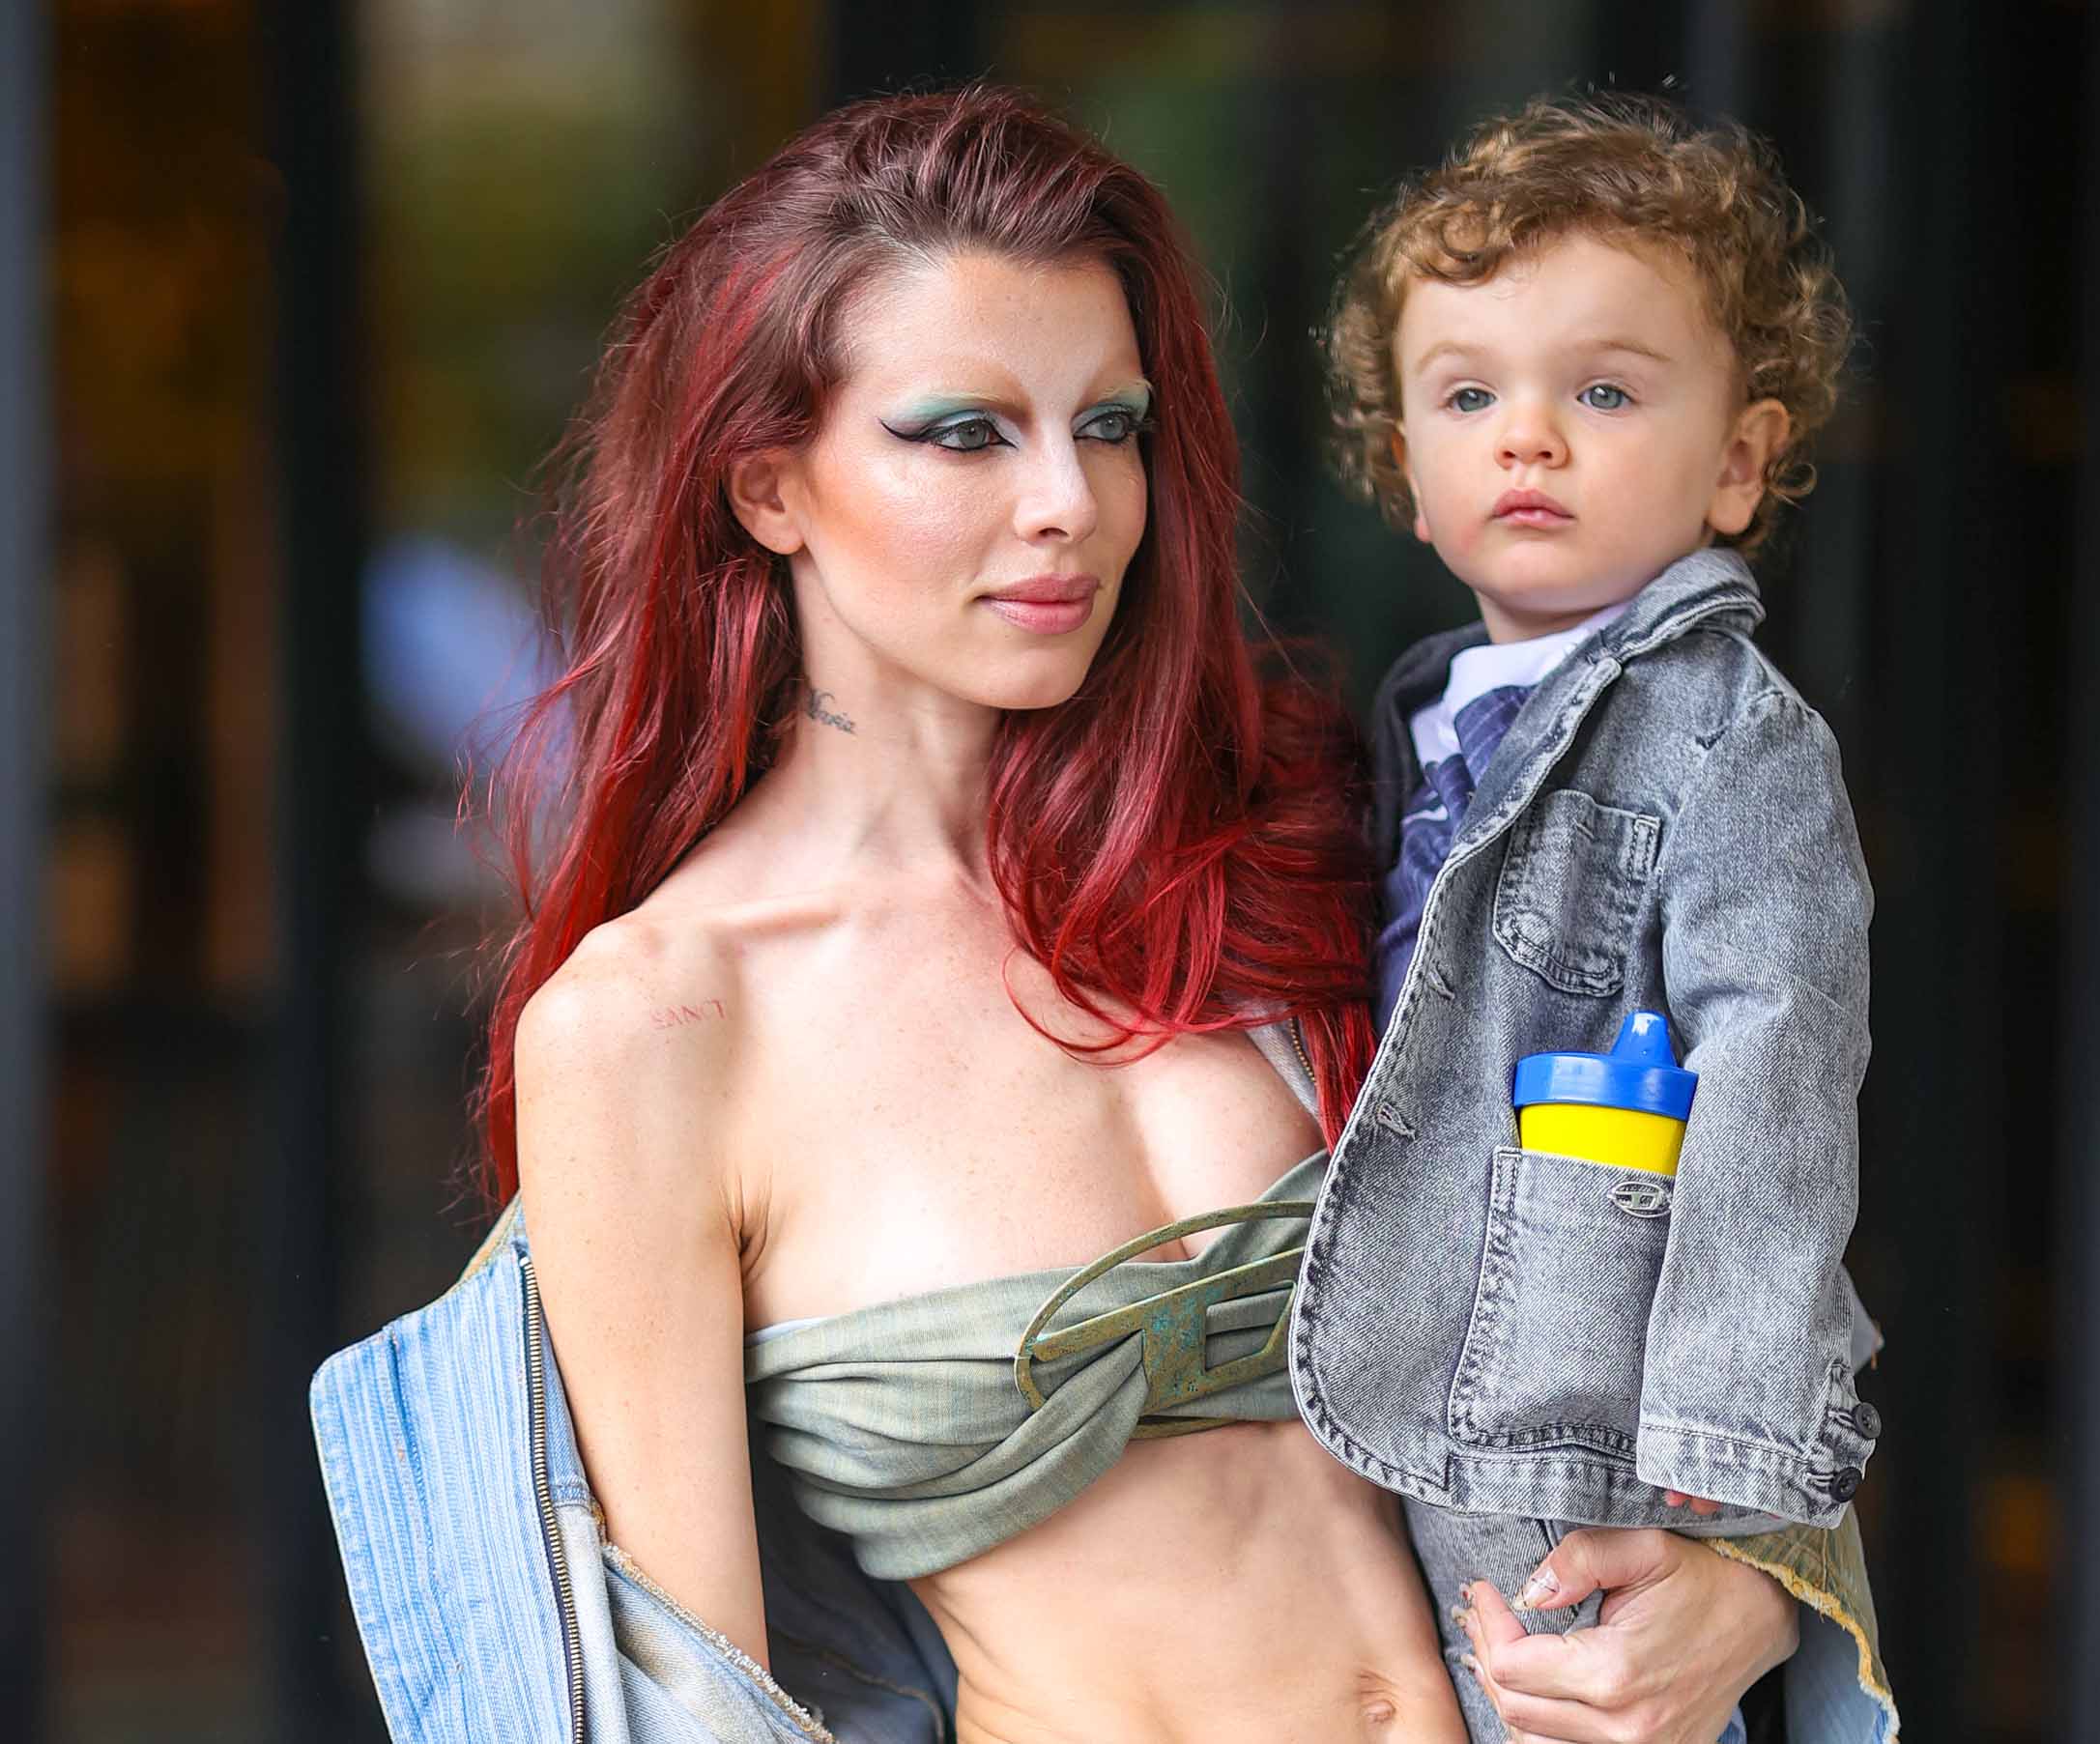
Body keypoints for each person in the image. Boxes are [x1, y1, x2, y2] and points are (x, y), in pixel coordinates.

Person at [310, 85, 1895, 1744]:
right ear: (768, 486)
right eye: (964, 431)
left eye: (1111, 423)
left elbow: (1678, 1239)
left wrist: (1747, 1588)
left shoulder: (1284, 836)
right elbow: (699, 1707)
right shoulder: (654, 1024)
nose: (1069, 499)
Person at [1297, 92, 1894, 1739]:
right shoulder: (1413, 718)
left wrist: (1719, 1470)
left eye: (1605, 391)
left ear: (1738, 462)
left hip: (1574, 1419)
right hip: (1394, 1366)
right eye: (1466, 394)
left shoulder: (1729, 737)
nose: (1528, 437)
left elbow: (1777, 1085)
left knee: (1565, 1698)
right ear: (1405, 473)